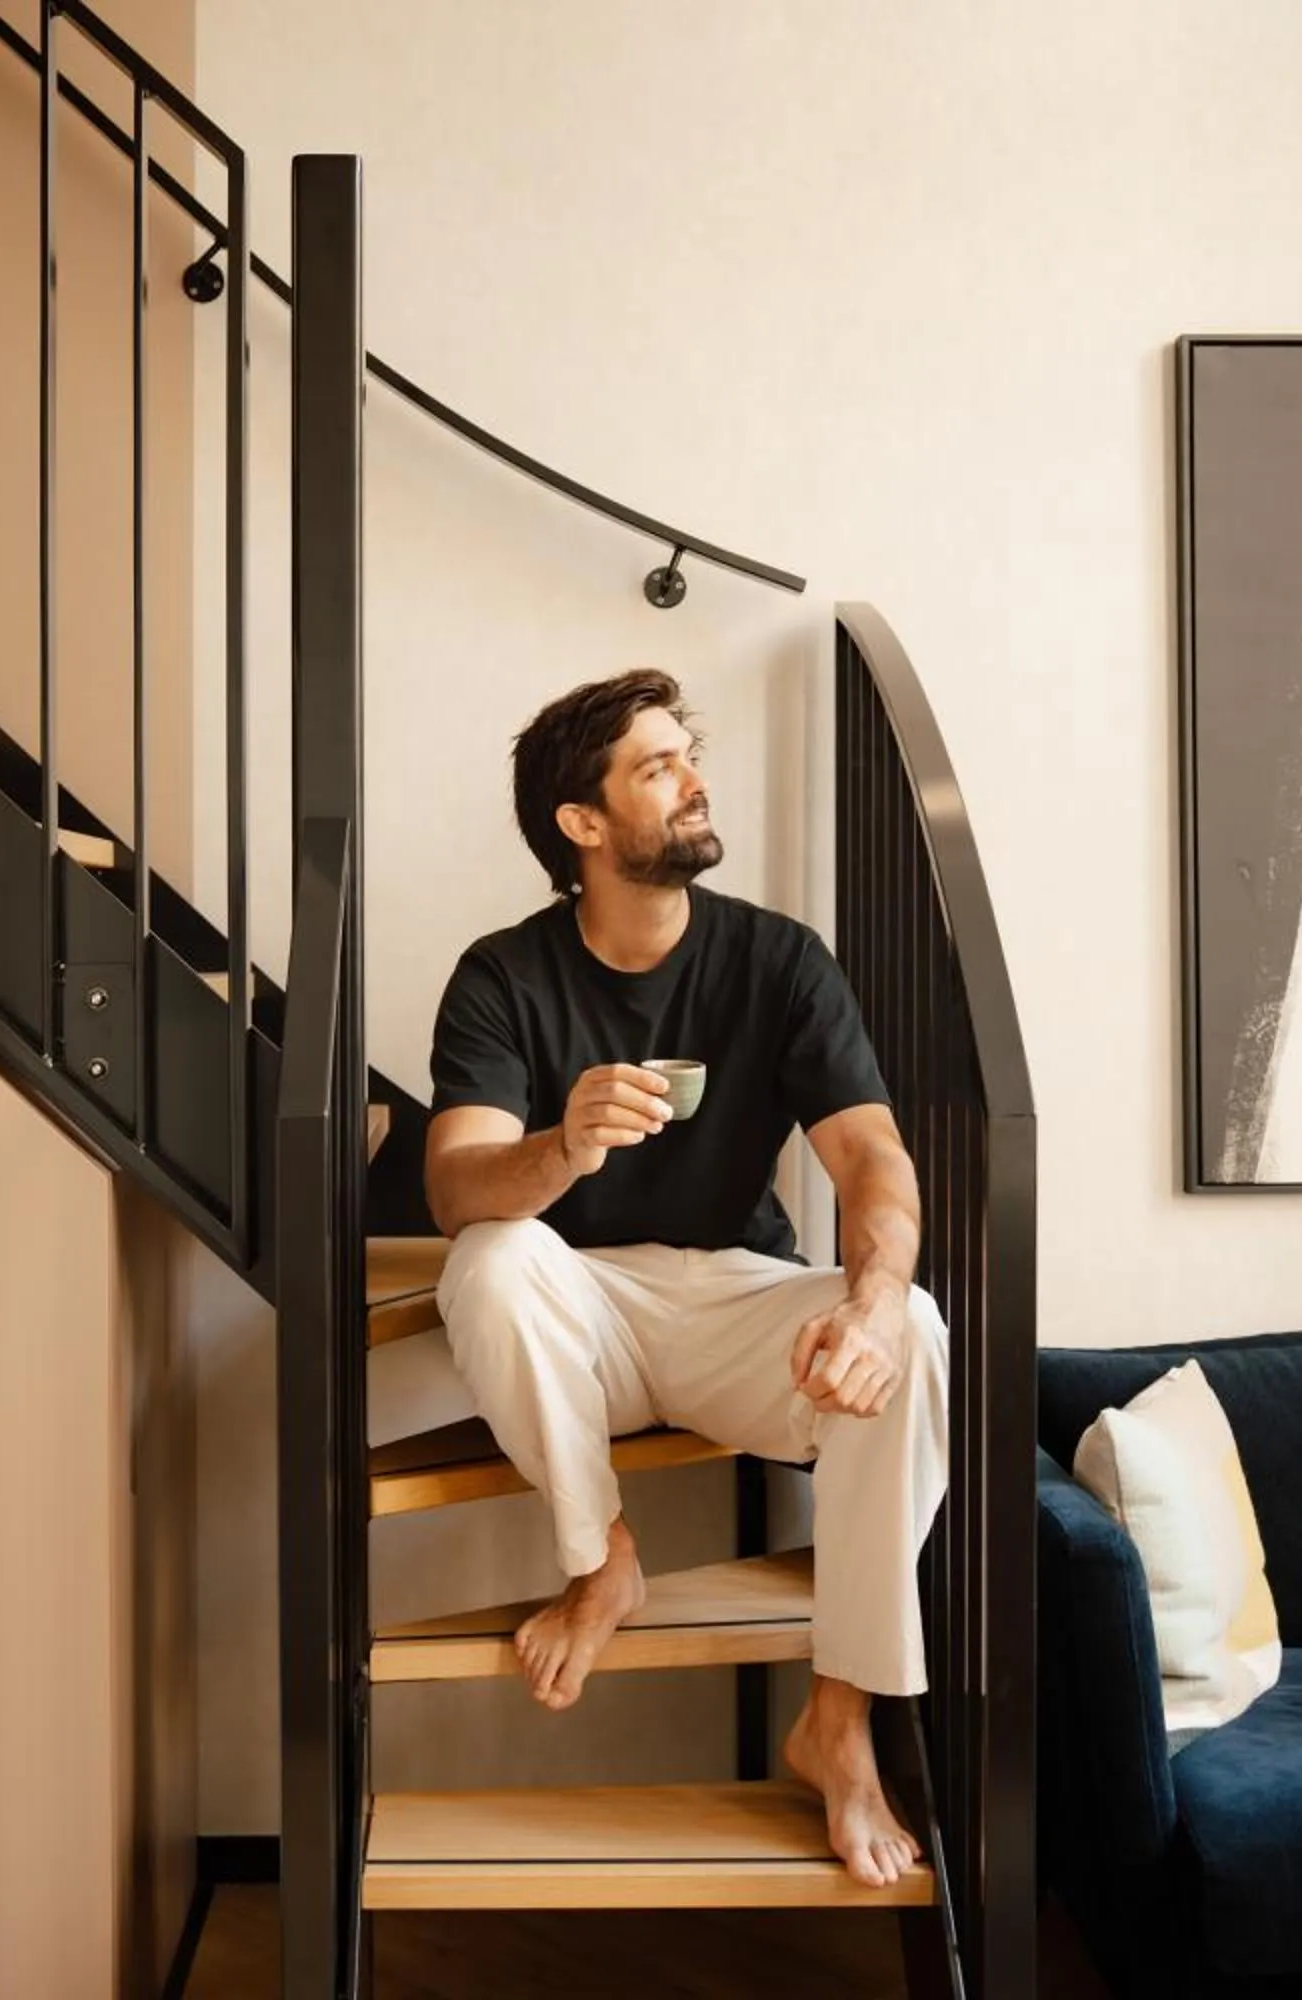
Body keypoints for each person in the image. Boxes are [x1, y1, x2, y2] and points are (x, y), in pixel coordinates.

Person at [423, 667, 948, 1892]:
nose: (695, 778)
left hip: (730, 1298)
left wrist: (867, 1300)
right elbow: (454, 1190)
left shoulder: (778, 960)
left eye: (687, 754)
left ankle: (842, 1723)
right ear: (584, 825)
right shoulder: (502, 975)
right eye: (657, 766)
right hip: (576, 1311)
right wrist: (562, 1143)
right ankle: (601, 1554)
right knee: (492, 1258)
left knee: (913, 1326)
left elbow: (872, 1153)